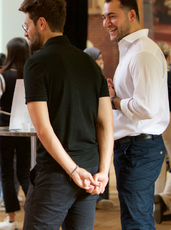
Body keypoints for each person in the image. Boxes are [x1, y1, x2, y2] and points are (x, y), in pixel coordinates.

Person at [19, 0, 114, 229]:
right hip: (90, 173)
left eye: (27, 26)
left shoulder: (36, 64)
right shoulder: (90, 64)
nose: (26, 33)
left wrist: (72, 170)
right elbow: (105, 123)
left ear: (41, 23)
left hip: (56, 175)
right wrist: (103, 170)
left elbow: (43, 129)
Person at [103, 0, 169, 228]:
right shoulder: (132, 50)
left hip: (139, 149)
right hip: (133, 148)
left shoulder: (143, 52)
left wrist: (114, 100)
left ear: (131, 15)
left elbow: (146, 108)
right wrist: (116, 94)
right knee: (133, 219)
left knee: (137, 222)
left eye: (112, 16)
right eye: (104, 17)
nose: (106, 23)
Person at [0, 37, 31, 229]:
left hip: (5, 126)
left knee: (6, 172)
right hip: (25, 127)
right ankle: (34, 215)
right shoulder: (30, 74)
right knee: (24, 173)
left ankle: (11, 220)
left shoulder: (4, 76)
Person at [84, 46, 115, 210]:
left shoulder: (98, 79)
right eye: (99, 58)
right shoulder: (84, 79)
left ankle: (101, 195)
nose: (101, 62)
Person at [154, 41, 171, 224]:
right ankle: (166, 199)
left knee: (159, 165)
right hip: (170, 121)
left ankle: (156, 200)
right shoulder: (168, 75)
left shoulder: (153, 77)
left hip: (155, 122)